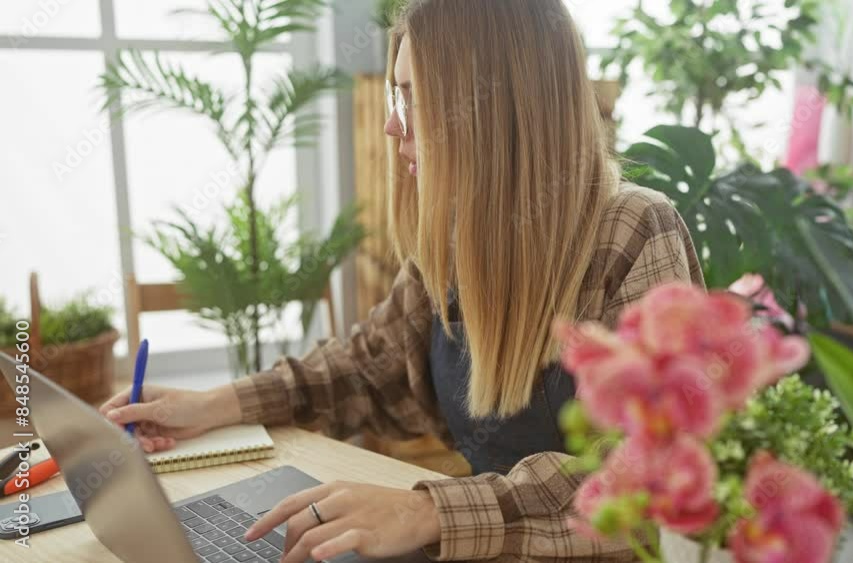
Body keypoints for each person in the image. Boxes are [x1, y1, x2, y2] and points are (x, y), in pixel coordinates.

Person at [100, 1, 704, 561]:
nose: (392, 127)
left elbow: (649, 478)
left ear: (495, 104)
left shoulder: (633, 230)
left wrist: (428, 509)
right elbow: (363, 367)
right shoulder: (454, 235)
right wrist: (210, 405)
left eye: (414, 98)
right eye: (398, 95)